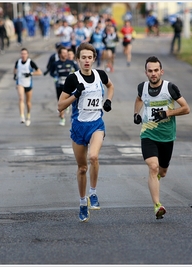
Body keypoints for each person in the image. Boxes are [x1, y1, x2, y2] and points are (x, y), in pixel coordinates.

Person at [57, 42, 114, 222]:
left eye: (90, 58)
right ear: (78, 59)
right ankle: (82, 203)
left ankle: (93, 193)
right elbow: (60, 105)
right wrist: (75, 94)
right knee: (82, 168)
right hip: (78, 127)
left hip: (96, 124)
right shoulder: (73, 79)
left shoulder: (101, 75)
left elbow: (110, 86)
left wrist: (108, 101)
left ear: (94, 59)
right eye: (83, 58)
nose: (87, 61)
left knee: (94, 157)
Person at [133, 56, 190, 219]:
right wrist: (136, 113)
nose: (153, 74)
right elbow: (139, 99)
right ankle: (157, 205)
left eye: (156, 70)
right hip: (148, 133)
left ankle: (156, 179)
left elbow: (186, 109)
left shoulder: (170, 88)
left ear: (161, 71)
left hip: (166, 136)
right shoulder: (142, 87)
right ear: (146, 73)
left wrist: (168, 113)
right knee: (153, 167)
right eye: (150, 71)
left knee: (162, 172)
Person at [49, 46, 79, 126]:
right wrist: (55, 76)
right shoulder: (55, 64)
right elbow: (51, 72)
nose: (65, 54)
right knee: (60, 101)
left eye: (66, 53)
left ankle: (67, 106)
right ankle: (62, 118)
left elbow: (78, 71)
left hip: (70, 85)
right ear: (59, 54)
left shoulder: (71, 63)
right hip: (59, 85)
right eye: (63, 53)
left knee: (70, 100)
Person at [13, 48, 42, 126]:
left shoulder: (30, 62)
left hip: (28, 84)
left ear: (27, 54)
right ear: (20, 54)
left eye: (25, 54)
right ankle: (22, 116)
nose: (23, 55)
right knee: (21, 98)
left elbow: (39, 72)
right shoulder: (18, 62)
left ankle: (28, 115)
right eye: (22, 53)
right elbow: (15, 69)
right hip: (20, 83)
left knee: (28, 102)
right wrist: (15, 75)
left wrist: (31, 73)